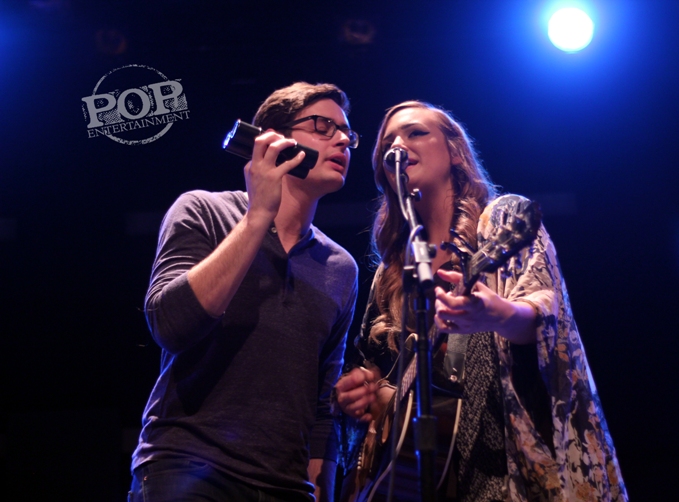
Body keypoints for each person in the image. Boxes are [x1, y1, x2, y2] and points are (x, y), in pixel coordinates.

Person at [334, 101, 628, 501]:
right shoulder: (392, 274)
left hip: (504, 465)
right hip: (425, 478)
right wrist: (364, 392)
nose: (398, 145)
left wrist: (496, 314)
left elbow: (544, 312)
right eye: (388, 142)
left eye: (416, 132)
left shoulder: (501, 223)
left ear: (454, 151)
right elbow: (374, 369)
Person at [129, 82, 360, 502]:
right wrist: (258, 218)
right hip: (185, 469)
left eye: (347, 132)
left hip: (287, 487)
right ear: (272, 138)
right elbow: (171, 325)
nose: (343, 139)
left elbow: (323, 400)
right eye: (323, 126)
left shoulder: (340, 268)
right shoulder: (203, 210)